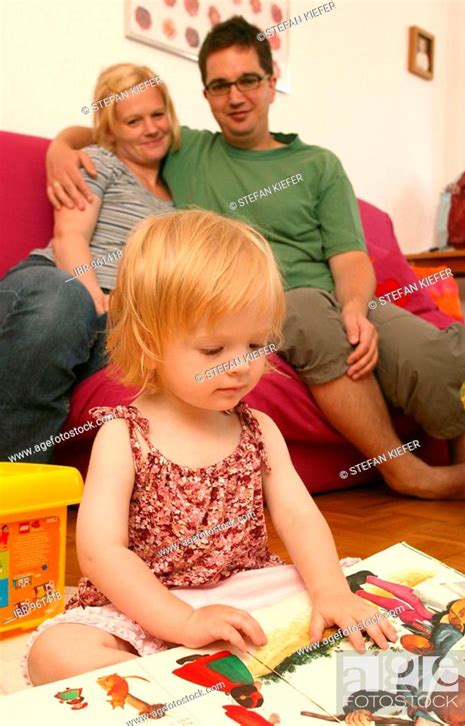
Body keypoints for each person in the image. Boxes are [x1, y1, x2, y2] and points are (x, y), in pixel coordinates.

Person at [45, 17, 465, 501]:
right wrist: (61, 146)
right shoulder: (189, 151)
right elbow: (114, 126)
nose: (236, 96)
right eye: (220, 85)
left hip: (341, 297)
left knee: (437, 351)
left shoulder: (319, 164)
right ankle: (405, 472)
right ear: (207, 95)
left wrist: (355, 307)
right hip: (271, 302)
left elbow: (350, 257)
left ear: (271, 84)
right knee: (309, 312)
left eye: (248, 80)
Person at [25, 209, 397, 686]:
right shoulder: (123, 434)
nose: (241, 366)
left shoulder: (259, 428)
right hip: (148, 602)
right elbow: (102, 552)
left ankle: (214, 676)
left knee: (362, 595)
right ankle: (178, 683)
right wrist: (182, 622)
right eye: (213, 350)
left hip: (245, 592)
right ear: (149, 340)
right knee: (56, 655)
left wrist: (330, 592)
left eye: (256, 344)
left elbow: (299, 515)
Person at [0, 63, 177, 463]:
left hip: (116, 320)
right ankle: (11, 487)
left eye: (157, 114)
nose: (150, 128)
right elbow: (70, 237)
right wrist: (96, 295)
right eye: (133, 120)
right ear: (111, 129)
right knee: (66, 303)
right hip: (57, 281)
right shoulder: (99, 161)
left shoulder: (176, 193)